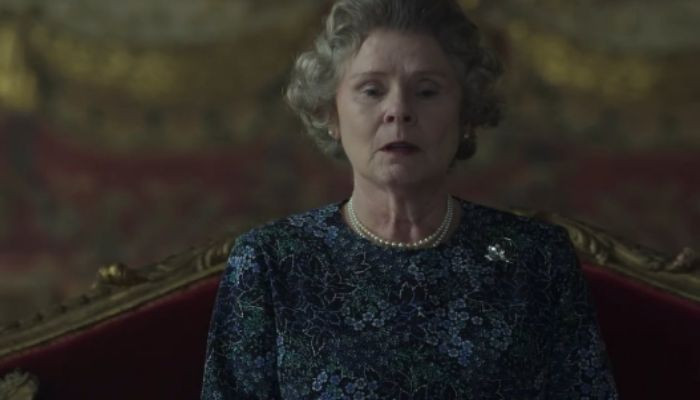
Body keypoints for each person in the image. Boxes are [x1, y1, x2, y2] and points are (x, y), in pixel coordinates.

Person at [201, 0, 618, 398]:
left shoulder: (537, 261)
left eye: (427, 91)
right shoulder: (270, 263)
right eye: (371, 90)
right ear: (330, 113)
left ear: (466, 114)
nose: (398, 110)